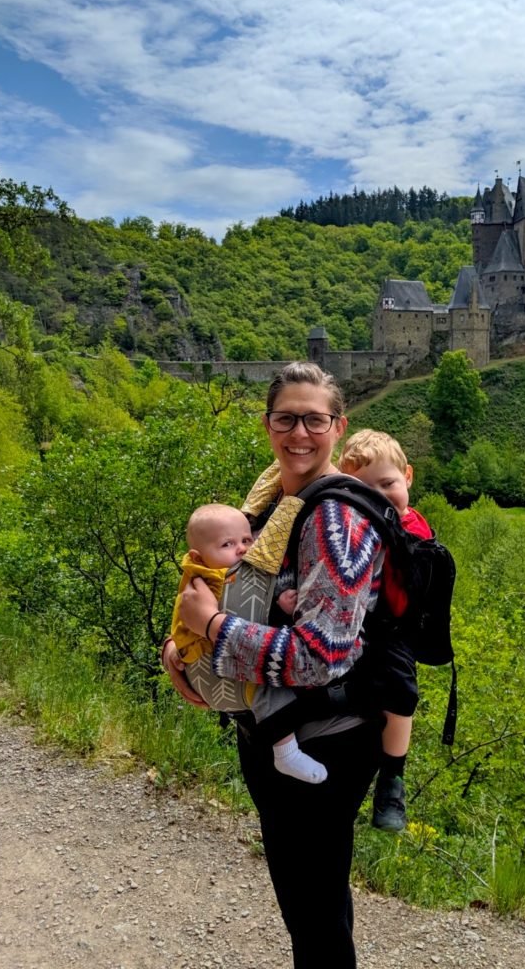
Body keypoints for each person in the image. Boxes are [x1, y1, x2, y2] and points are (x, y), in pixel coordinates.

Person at [161, 361, 385, 969]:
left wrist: (212, 627)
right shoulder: (270, 503)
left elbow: (319, 657)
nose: (300, 433)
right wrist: (188, 650)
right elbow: (233, 588)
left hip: (327, 739)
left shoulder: (338, 519)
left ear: (337, 427)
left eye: (315, 419)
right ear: (267, 425)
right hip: (275, 729)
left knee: (314, 909)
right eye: (286, 418)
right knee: (307, 902)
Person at [170, 502, 326, 784]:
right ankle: (286, 751)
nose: (241, 549)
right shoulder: (213, 577)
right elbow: (234, 612)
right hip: (214, 660)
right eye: (228, 544)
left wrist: (277, 602)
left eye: (246, 540)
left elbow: (244, 607)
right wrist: (176, 647)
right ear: (198, 555)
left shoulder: (215, 569)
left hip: (213, 660)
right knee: (270, 692)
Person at [338, 429, 433, 833]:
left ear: (407, 477)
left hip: (391, 629)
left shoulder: (412, 525)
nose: (378, 497)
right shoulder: (344, 523)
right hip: (352, 624)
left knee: (401, 694)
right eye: (363, 490)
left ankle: (392, 779)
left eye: (388, 484)